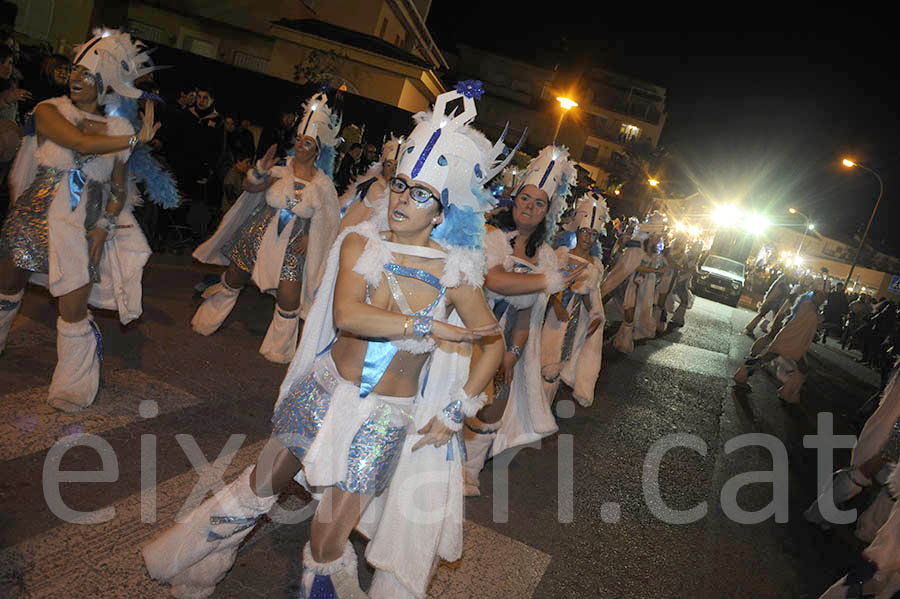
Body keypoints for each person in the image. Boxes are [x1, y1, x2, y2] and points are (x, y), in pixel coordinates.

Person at [142, 82, 511, 599]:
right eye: (401, 185)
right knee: (257, 488)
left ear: (444, 211)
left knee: (327, 536)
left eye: (421, 193)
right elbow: (348, 314)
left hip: (383, 418)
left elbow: (491, 344)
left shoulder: (456, 272)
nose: (404, 198)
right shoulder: (361, 240)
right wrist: (427, 327)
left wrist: (458, 408)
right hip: (323, 392)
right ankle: (198, 562)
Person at [0, 30, 160, 410]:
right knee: (6, 290)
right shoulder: (49, 110)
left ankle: (73, 383)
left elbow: (119, 190)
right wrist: (136, 140)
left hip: (78, 228)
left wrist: (103, 230)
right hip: (31, 218)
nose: (75, 77)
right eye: (75, 69)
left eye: (87, 74)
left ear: (105, 84)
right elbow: (79, 143)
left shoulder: (118, 130)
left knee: (72, 308)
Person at [463, 144, 581, 497]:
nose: (529, 207)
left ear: (548, 211)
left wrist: (513, 351)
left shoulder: (545, 255)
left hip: (506, 338)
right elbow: (495, 280)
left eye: (539, 203)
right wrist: (551, 281)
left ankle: (469, 471)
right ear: (514, 200)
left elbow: (527, 310)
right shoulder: (491, 235)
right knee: (455, 397)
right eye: (525, 199)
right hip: (470, 331)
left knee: (494, 405)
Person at [190, 92, 341, 363]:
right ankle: (206, 320)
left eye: (308, 142)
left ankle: (278, 350)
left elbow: (328, 224)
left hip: (293, 243)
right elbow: (251, 188)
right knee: (234, 276)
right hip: (260, 232)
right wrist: (260, 172)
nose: (302, 146)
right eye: (299, 140)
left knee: (288, 297)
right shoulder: (281, 166)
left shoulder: (324, 185)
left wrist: (312, 239)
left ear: (318, 148)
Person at [541, 191, 608, 406]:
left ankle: (545, 406)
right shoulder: (561, 254)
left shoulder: (596, 265)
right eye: (585, 232)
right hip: (554, 314)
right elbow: (547, 285)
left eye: (593, 235)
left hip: (578, 318)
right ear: (578, 231)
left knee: (563, 359)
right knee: (544, 357)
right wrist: (556, 305)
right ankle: (536, 405)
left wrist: (595, 318)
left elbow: (592, 297)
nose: (588, 238)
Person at [733, 284, 826, 403]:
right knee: (766, 359)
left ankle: (786, 392)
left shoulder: (811, 308)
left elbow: (809, 328)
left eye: (823, 297)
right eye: (819, 296)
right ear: (814, 295)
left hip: (793, 343)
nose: (821, 299)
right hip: (790, 342)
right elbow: (803, 325)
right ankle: (787, 393)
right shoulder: (806, 307)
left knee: (767, 359)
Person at [601, 218, 648, 354]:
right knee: (608, 296)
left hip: (629, 277)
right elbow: (618, 250)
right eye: (631, 227)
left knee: (624, 307)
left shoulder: (641, 243)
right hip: (620, 271)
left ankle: (617, 337)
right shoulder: (631, 241)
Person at [338, 135, 402, 231]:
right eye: (389, 165)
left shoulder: (390, 187)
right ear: (383, 166)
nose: (393, 170)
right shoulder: (376, 186)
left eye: (396, 166)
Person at [744, 271, 791, 336]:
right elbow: (775, 292)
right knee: (761, 314)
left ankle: (754, 327)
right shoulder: (783, 282)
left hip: (771, 301)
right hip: (771, 302)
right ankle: (750, 328)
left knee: (762, 314)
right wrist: (766, 301)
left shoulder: (782, 279)